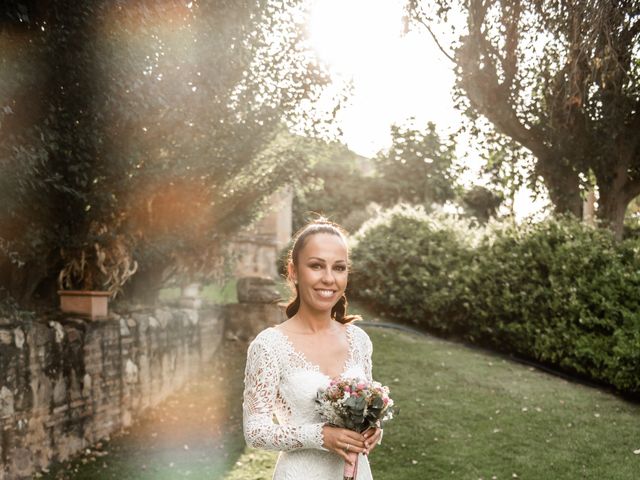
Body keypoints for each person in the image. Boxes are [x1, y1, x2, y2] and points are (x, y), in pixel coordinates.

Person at [242, 218, 383, 479]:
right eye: (316, 266)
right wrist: (321, 436)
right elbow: (255, 431)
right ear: (293, 271)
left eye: (339, 268)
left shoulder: (359, 341)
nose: (329, 278)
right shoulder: (269, 346)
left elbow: (367, 408)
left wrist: (374, 429)